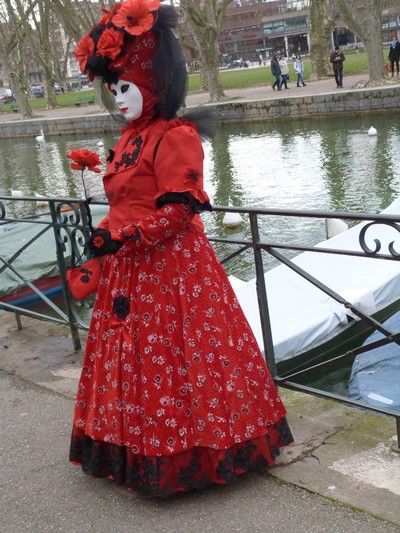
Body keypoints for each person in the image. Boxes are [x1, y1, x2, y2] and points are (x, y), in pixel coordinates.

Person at [70, 0, 293, 498]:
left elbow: (178, 213)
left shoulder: (175, 136)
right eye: (114, 89)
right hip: (129, 272)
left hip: (172, 272)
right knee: (136, 363)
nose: (119, 99)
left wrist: (122, 237)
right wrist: (104, 231)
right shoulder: (129, 138)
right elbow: (127, 201)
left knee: (184, 356)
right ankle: (134, 449)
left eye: (125, 88)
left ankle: (197, 453)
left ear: (154, 84)